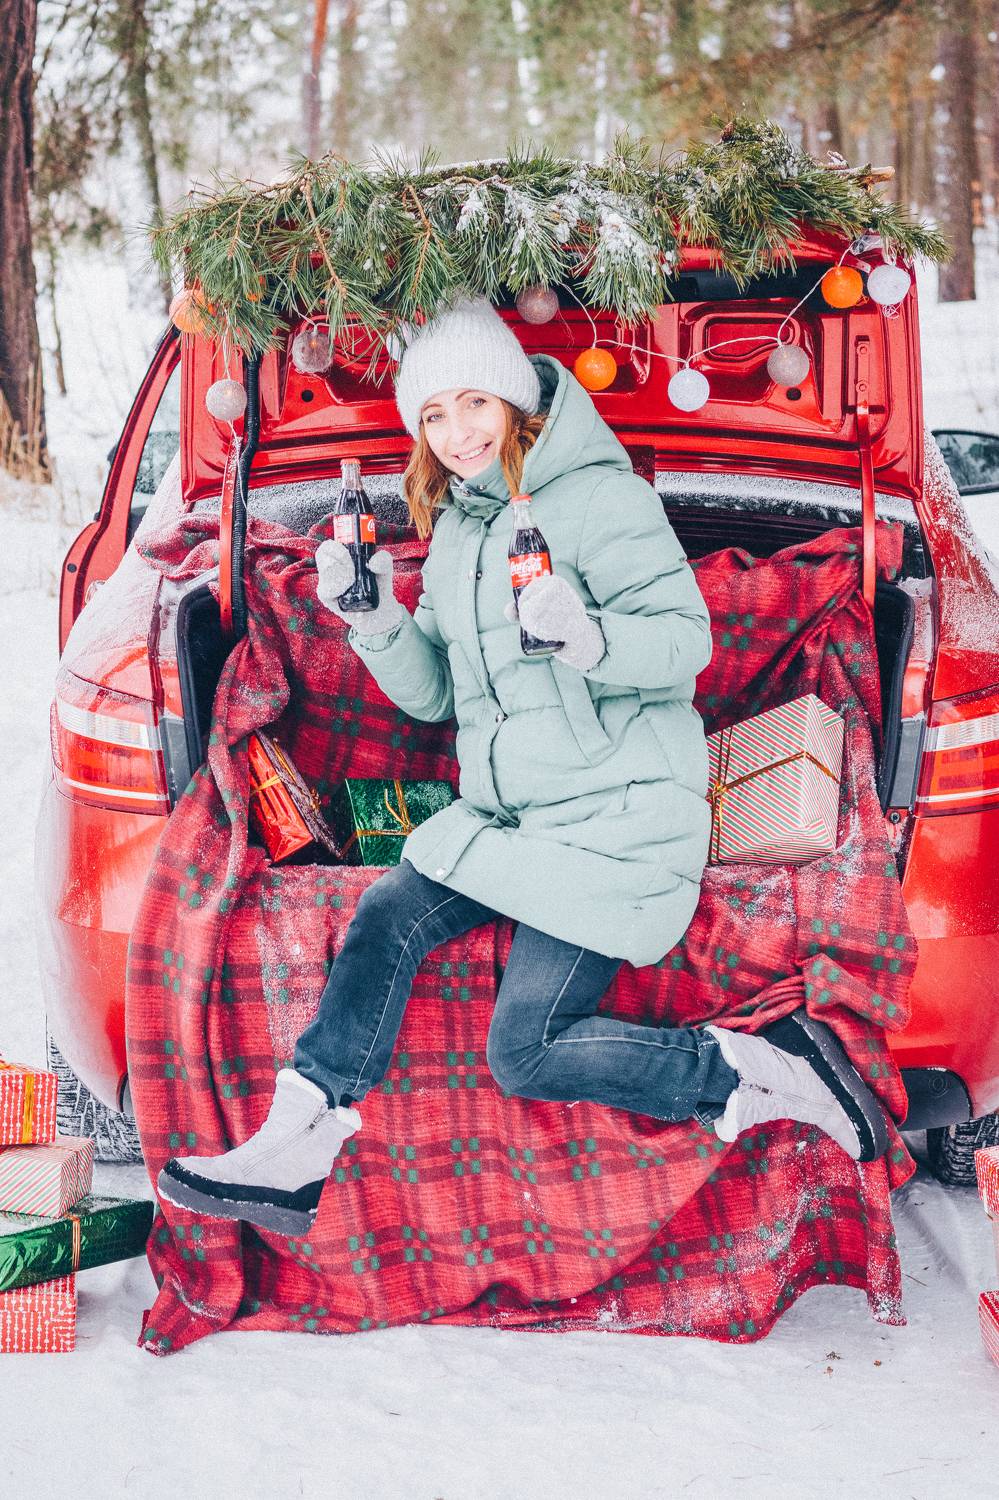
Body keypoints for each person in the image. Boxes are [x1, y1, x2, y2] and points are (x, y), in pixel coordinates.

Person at [158, 293, 888, 1236]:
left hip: (616, 819)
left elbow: (686, 644)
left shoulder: (600, 499)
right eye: (433, 414)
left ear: (514, 401)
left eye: (473, 403)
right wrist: (372, 617)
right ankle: (298, 1143)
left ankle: (765, 1068)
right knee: (384, 915)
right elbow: (432, 696)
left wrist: (589, 637)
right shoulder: (459, 529)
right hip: (509, 816)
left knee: (527, 1052)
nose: (456, 432)